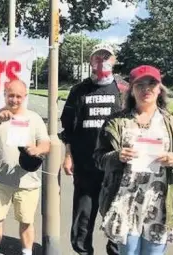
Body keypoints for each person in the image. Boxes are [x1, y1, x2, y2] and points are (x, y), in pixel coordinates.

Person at [94, 65, 173, 254]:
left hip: (160, 204)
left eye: (151, 84)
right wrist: (116, 157)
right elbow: (98, 158)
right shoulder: (116, 122)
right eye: (139, 85)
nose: (146, 89)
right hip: (125, 201)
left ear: (159, 88)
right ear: (131, 90)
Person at [60, 43, 126, 255]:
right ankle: (82, 251)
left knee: (117, 221)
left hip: (117, 169)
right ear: (90, 61)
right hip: (86, 166)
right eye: (97, 57)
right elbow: (68, 127)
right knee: (83, 219)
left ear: (114, 60)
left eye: (107, 57)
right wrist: (68, 156)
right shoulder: (79, 90)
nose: (102, 61)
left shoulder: (124, 89)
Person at [0, 79, 50, 255]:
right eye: (11, 95)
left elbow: (46, 144)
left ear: (25, 97)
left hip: (27, 181)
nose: (14, 100)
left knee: (26, 221)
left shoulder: (34, 118)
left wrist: (36, 149)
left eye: (18, 96)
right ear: (4, 95)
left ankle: (26, 252)